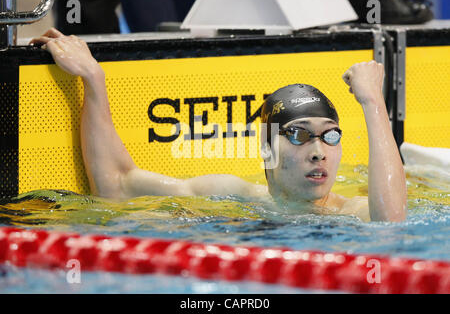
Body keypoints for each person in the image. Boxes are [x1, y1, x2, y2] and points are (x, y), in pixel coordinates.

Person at [29, 28, 407, 223]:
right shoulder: (230, 194)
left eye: (330, 135)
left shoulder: (351, 213)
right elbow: (116, 186)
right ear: (265, 148)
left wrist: (373, 102)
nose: (318, 151)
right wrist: (94, 81)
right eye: (298, 134)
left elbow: (391, 224)